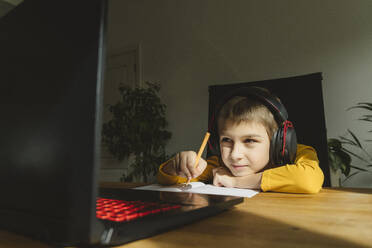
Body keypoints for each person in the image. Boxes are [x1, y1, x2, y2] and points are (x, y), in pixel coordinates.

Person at [157, 87, 324, 193]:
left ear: (279, 142)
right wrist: (179, 166)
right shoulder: (220, 166)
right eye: (227, 140)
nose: (235, 155)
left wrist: (235, 181)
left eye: (250, 140)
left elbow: (308, 180)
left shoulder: (297, 154)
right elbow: (168, 180)